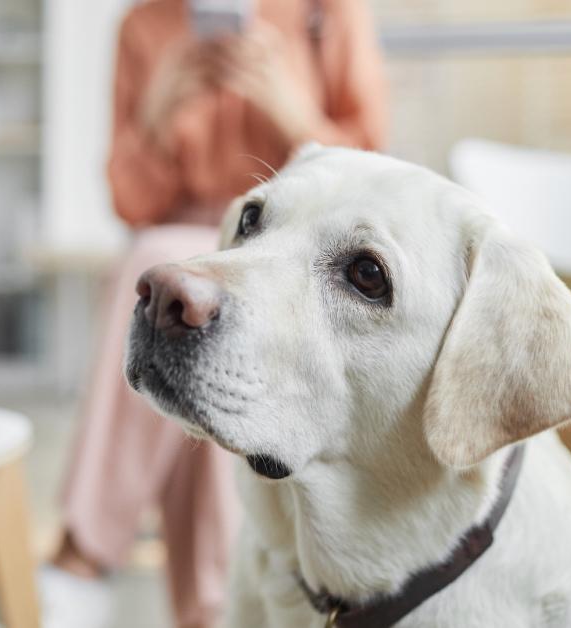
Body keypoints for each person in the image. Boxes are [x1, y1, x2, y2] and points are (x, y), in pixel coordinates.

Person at [45, 2, 387, 627]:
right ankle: (207, 610)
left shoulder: (326, 12)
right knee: (184, 307)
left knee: (173, 284)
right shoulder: (144, 25)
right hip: (183, 237)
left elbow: (373, 179)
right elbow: (130, 200)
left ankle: (82, 560)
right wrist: (160, 107)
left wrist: (291, 112)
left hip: (286, 256)